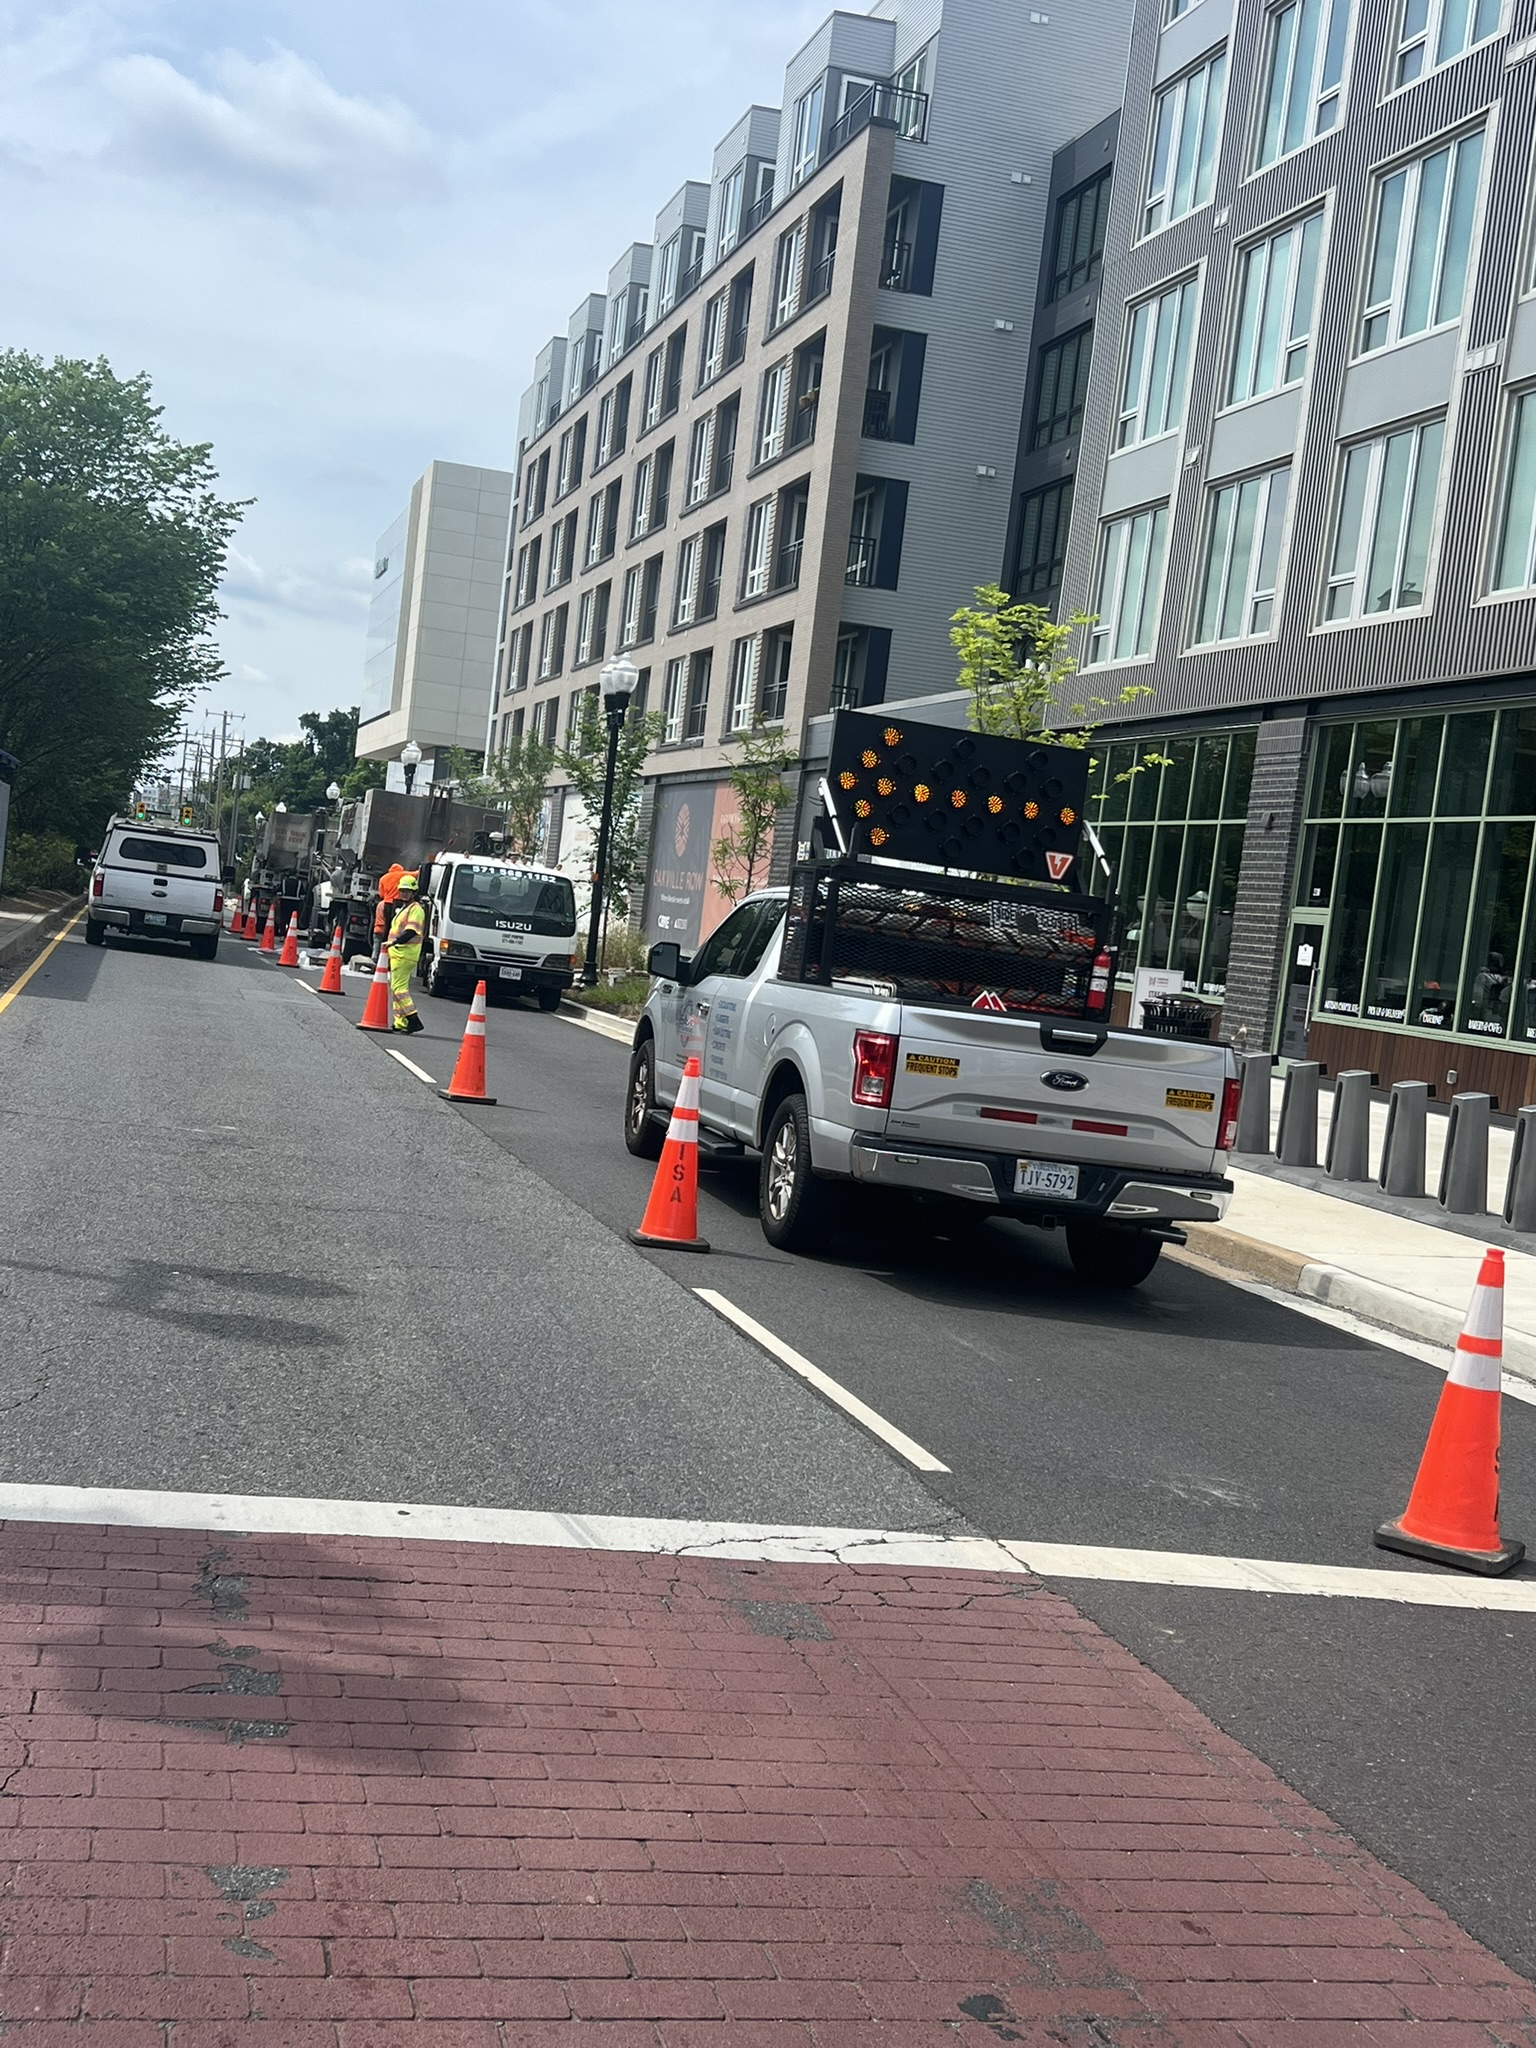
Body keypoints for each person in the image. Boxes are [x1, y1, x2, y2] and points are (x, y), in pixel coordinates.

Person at [386, 873, 426, 1033]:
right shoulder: (405, 909)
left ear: (413, 892)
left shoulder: (416, 910)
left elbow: (411, 932)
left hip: (405, 954)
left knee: (399, 989)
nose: (404, 893)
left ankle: (413, 1020)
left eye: (407, 891)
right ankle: (400, 1022)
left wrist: (395, 942)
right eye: (402, 890)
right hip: (398, 953)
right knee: (396, 989)